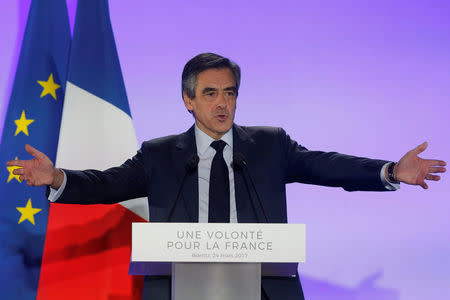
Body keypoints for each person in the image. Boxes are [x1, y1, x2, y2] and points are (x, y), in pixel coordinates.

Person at [7, 53, 447, 300]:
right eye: (210, 93)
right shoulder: (160, 154)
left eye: (230, 93)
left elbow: (324, 164)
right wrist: (57, 177)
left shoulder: (270, 145)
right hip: (178, 287)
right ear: (188, 100)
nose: (222, 103)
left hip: (263, 288)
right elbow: (108, 184)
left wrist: (389, 170)